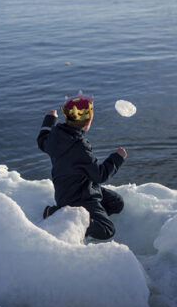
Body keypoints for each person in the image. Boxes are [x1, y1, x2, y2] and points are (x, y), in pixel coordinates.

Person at [37, 92, 127, 240]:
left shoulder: (55, 137)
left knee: (116, 202)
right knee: (107, 229)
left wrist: (49, 119)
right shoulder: (79, 147)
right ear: (88, 122)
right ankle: (67, 217)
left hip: (76, 189)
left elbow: (42, 141)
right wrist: (117, 158)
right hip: (79, 197)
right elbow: (100, 175)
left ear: (67, 117)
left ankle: (90, 217)